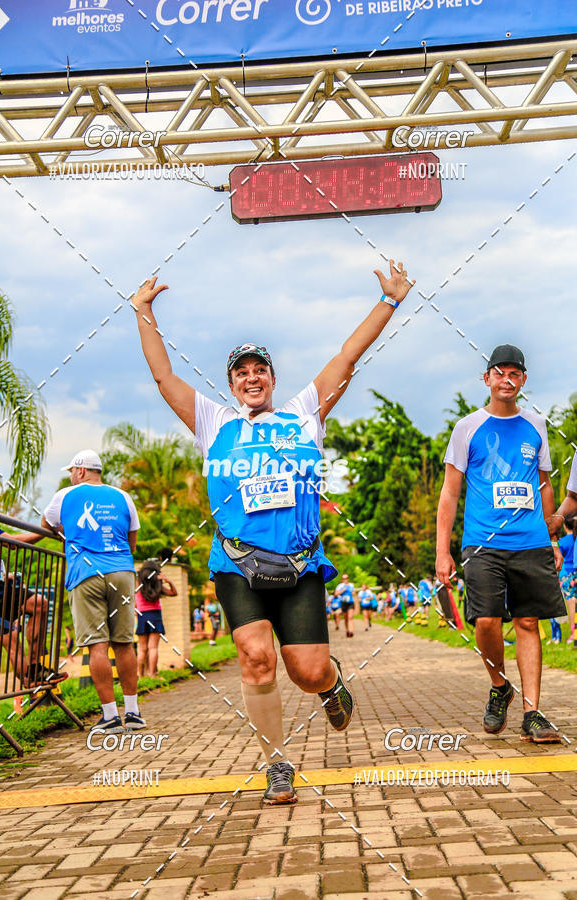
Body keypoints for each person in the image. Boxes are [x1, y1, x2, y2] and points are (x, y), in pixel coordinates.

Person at [133, 259, 414, 804]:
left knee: (305, 670)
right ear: (232, 384)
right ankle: (276, 762)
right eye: (242, 372)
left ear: (272, 379)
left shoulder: (304, 414)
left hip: (300, 563)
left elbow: (346, 357)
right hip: (237, 564)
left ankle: (329, 685)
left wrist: (391, 300)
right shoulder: (216, 423)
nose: (252, 378)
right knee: (255, 655)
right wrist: (144, 313)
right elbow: (165, 378)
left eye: (260, 370)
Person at [436, 345, 566, 743]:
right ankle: (499, 686)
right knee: (487, 620)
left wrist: (553, 536)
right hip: (483, 542)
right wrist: (442, 551)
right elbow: (449, 492)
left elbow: (544, 484)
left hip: (531, 541)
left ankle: (533, 713)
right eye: (499, 372)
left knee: (528, 621)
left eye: (515, 373)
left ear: (523, 380)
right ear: (487, 378)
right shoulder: (468, 427)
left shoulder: (536, 426)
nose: (507, 380)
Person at [42, 449, 144, 734]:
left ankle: (111, 717)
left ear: (81, 470)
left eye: (72, 472)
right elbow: (132, 543)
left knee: (97, 645)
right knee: (124, 642)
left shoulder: (65, 496)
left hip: (85, 573)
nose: (71, 477)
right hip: (122, 571)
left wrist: (70, 531)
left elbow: (45, 525)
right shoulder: (123, 497)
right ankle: (133, 713)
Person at [0, 473, 63, 693]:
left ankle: (34, 670)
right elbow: (13, 542)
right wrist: (44, 532)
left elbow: (8, 545)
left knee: (39, 604)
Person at [135, 559, 177, 676]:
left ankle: (141, 676)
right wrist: (167, 581)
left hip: (142, 616)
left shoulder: (139, 585)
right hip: (155, 615)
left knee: (142, 649)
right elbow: (174, 593)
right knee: (153, 648)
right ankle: (153, 675)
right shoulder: (158, 587)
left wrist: (141, 571)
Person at [552, 513, 577, 645]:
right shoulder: (575, 539)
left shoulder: (562, 542)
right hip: (576, 573)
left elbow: (557, 560)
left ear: (564, 526)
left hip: (566, 575)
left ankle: (574, 632)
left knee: (571, 602)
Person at [334, 573, 356, 638]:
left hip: (350, 603)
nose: (345, 579)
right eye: (344, 578)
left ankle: (351, 631)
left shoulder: (351, 585)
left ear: (348, 579)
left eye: (346, 578)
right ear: (342, 580)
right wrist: (342, 590)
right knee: (346, 618)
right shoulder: (340, 586)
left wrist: (353, 593)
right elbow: (335, 594)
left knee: (350, 617)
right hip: (343, 603)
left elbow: (353, 592)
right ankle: (347, 630)